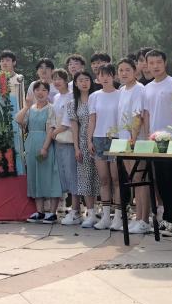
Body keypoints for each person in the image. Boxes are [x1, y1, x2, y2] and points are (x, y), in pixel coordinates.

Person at [143, 49, 172, 236]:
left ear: (165, 63)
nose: (155, 66)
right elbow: (146, 114)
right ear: (147, 65)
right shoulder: (147, 88)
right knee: (161, 181)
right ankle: (166, 218)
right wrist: (147, 136)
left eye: (158, 62)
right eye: (151, 63)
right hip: (154, 141)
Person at [18, 80, 63, 223]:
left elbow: (50, 129)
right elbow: (19, 120)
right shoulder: (31, 109)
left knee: (50, 176)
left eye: (44, 90)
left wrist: (45, 147)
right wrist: (26, 106)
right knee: (35, 176)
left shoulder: (51, 108)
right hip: (31, 144)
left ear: (48, 92)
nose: (40, 93)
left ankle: (52, 212)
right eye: (37, 90)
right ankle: (40, 211)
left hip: (45, 143)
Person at [116, 58, 149, 233]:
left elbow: (138, 116)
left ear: (135, 71)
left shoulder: (139, 89)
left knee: (140, 179)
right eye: (121, 70)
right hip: (123, 140)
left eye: (127, 70)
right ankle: (137, 218)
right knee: (133, 180)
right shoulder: (122, 90)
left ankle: (144, 219)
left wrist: (133, 139)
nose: (124, 73)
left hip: (136, 141)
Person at [88, 63, 122, 230]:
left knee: (117, 179)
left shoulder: (121, 94)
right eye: (102, 75)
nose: (105, 78)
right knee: (103, 179)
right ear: (98, 78)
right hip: (99, 138)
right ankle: (106, 217)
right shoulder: (94, 96)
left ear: (114, 76)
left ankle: (119, 217)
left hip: (117, 139)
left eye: (108, 74)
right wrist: (89, 140)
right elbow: (92, 119)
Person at [66, 70, 98, 228]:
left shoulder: (97, 98)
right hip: (83, 142)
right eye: (81, 80)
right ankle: (90, 213)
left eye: (87, 79)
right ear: (76, 84)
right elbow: (74, 127)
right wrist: (77, 148)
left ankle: (105, 212)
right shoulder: (73, 104)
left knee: (101, 177)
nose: (84, 83)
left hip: (99, 140)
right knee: (85, 178)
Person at [50, 69, 78, 224]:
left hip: (68, 140)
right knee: (63, 174)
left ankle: (76, 210)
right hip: (58, 140)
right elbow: (53, 118)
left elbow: (68, 121)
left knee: (72, 174)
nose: (57, 81)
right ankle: (70, 209)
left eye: (59, 78)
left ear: (66, 80)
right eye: (54, 79)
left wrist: (53, 133)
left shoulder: (72, 96)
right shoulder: (56, 97)